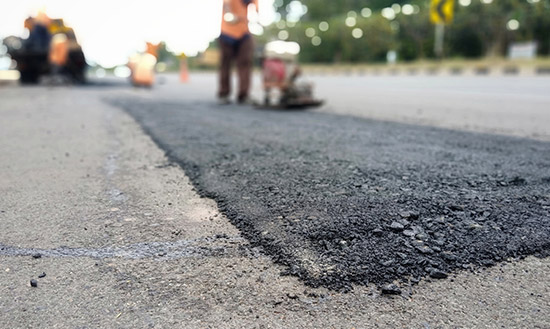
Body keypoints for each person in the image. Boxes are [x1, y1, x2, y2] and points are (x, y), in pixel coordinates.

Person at [218, 0, 258, 105]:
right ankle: (224, 93)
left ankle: (244, 95)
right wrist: (229, 14)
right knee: (225, 63)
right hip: (227, 31)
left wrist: (258, 18)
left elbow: (256, 9)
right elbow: (226, 6)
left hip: (244, 32)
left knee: (245, 62)